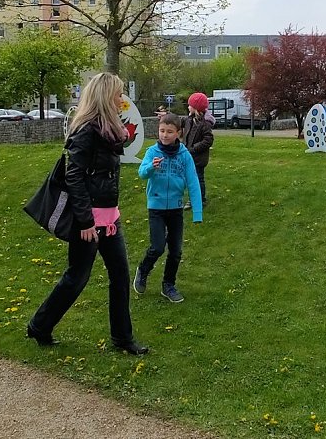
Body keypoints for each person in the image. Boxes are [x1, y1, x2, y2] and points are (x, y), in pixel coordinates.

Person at [28, 73, 148, 355]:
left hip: (110, 216)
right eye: (118, 94)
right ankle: (39, 326)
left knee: (120, 274)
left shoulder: (109, 130)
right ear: (106, 97)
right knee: (77, 277)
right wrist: (85, 221)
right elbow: (75, 177)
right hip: (90, 220)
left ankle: (123, 338)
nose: (122, 99)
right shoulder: (85, 131)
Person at [133, 113, 203, 304]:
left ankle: (168, 285)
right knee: (157, 246)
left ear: (178, 134)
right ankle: (143, 270)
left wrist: (197, 211)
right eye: (162, 131)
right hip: (156, 208)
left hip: (175, 209)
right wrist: (150, 168)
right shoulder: (152, 152)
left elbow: (193, 182)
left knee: (176, 251)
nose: (164, 135)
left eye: (169, 132)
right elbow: (141, 173)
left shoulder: (184, 156)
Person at [182, 92, 214, 207]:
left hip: (198, 158)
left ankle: (199, 199)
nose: (188, 106)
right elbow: (180, 122)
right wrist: (167, 117)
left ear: (195, 107)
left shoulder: (204, 124)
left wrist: (194, 148)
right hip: (189, 156)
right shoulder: (189, 120)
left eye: (190, 105)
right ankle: (195, 198)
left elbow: (208, 140)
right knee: (190, 178)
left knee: (198, 178)